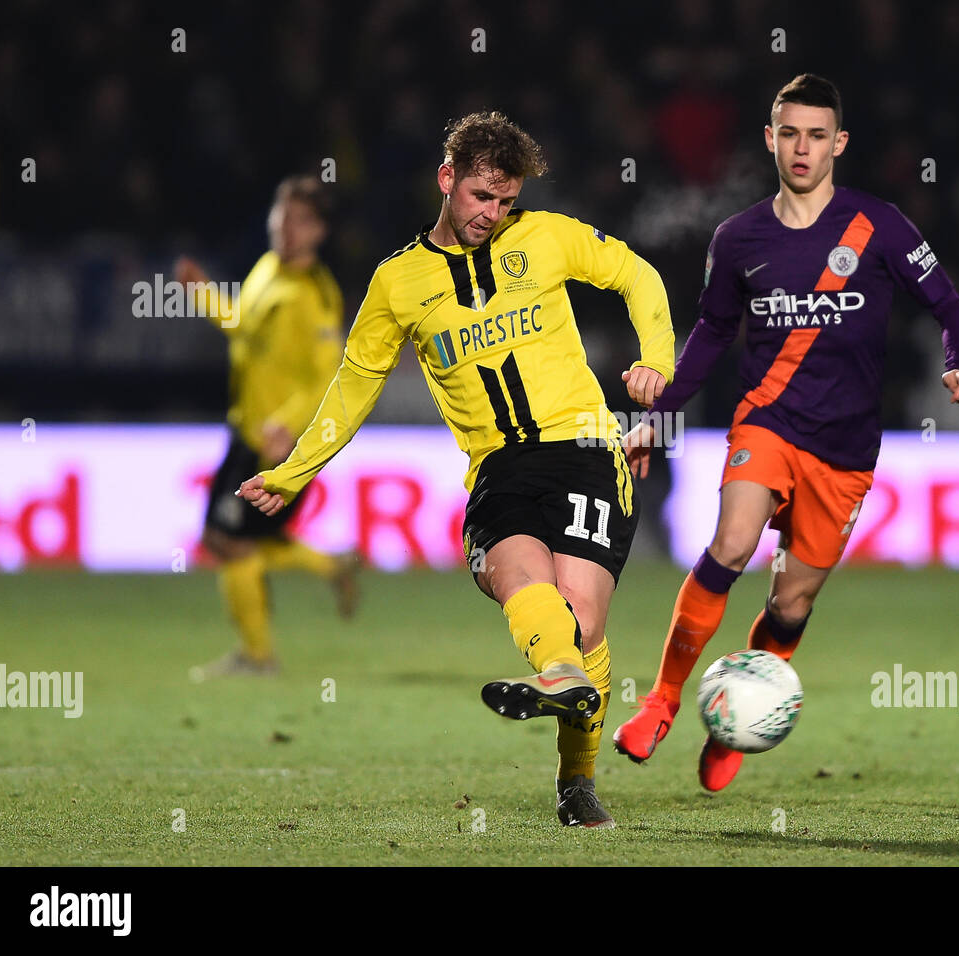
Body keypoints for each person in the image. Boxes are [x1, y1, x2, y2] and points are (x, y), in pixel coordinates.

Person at [237, 112, 675, 827]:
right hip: (500, 467)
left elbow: (638, 276)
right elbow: (354, 385)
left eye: (505, 201)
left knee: (584, 621)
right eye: (480, 197)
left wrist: (658, 359)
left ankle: (575, 778)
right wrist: (293, 471)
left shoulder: (547, 236)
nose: (493, 215)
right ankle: (561, 684)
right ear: (447, 180)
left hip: (587, 449)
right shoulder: (398, 283)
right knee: (522, 584)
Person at [613, 74, 959, 791]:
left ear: (838, 143)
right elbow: (713, 334)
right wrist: (656, 421)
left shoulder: (879, 225)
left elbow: (950, 306)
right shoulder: (739, 236)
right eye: (790, 133)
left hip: (845, 449)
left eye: (817, 135)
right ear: (770, 140)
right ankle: (660, 700)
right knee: (731, 544)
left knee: (791, 602)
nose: (803, 147)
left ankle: (732, 728)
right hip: (768, 420)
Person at [178, 175, 360, 682]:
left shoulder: (315, 296)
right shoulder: (267, 268)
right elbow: (242, 325)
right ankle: (330, 569)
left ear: (320, 231)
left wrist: (291, 425)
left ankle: (258, 657)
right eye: (282, 215)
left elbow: (329, 373)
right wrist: (204, 295)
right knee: (232, 538)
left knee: (230, 541)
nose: (287, 228)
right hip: (247, 431)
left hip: (273, 444)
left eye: (302, 220)